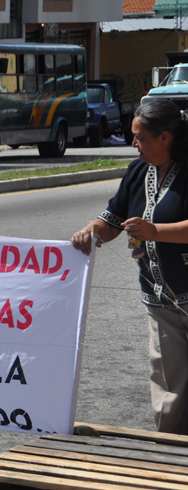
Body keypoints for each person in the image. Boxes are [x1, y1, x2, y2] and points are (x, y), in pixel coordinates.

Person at [71, 99, 188, 435]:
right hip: (160, 301)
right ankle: (171, 460)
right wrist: (90, 233)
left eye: (139, 137)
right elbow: (112, 220)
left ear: (164, 137)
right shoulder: (138, 171)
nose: (132, 143)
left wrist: (155, 231)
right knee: (170, 388)